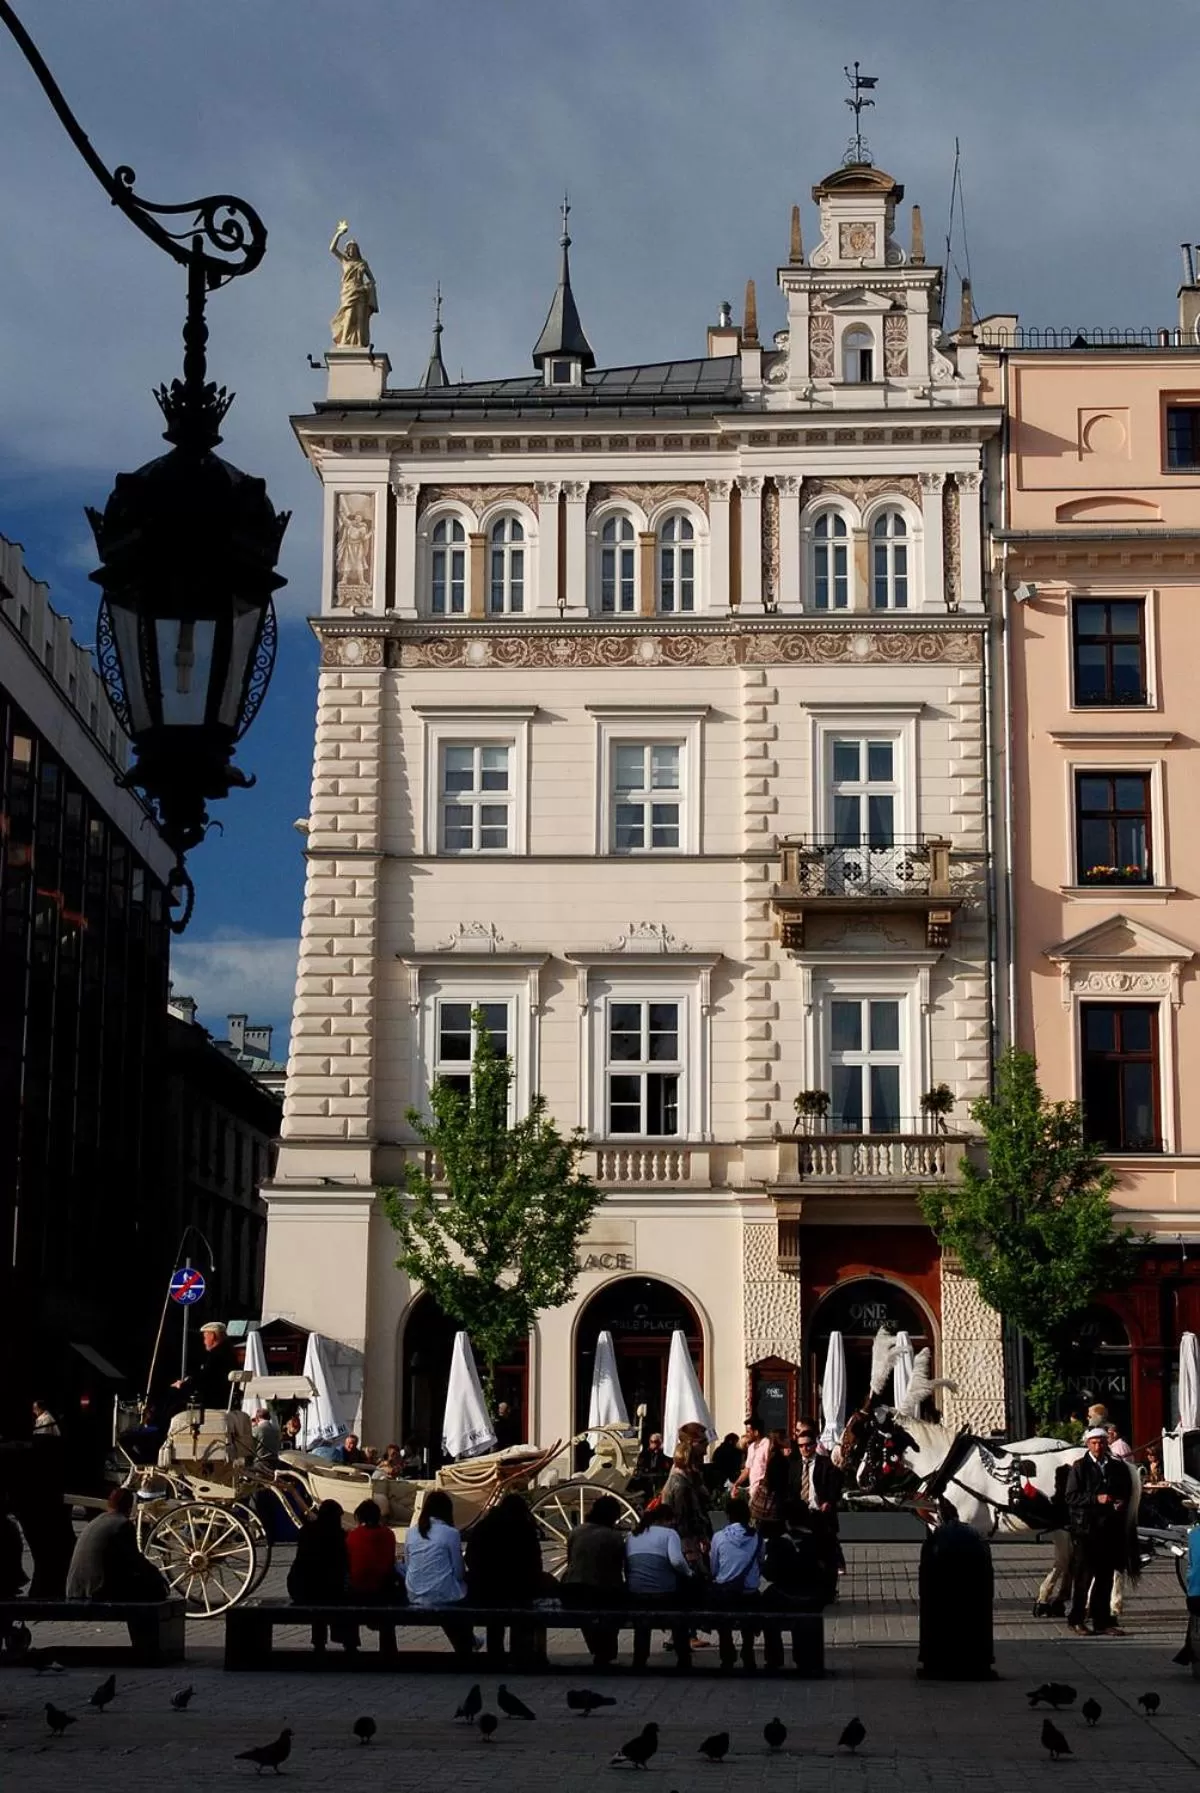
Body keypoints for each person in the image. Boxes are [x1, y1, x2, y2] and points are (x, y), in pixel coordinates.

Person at [1065, 1426, 1134, 1636]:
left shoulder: (1116, 1466)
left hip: (1109, 1529)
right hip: (1086, 1530)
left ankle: (1102, 1621)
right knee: (1084, 1577)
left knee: (1104, 1578)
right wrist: (1096, 1499)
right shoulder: (1080, 1467)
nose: (1098, 1446)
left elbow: (1125, 1490)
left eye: (1102, 1442)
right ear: (1088, 1444)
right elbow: (1071, 1497)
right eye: (1094, 1442)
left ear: (1107, 1444)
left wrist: (1120, 1502)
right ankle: (1076, 1619)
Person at [465, 1491, 546, 1664]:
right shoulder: (525, 1529)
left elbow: (470, 1557)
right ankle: (520, 1654)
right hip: (519, 1590)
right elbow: (535, 1562)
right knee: (521, 1617)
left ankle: (495, 1655)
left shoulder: (483, 1527)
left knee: (495, 1623)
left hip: (486, 1590)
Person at [403, 1489, 474, 1656]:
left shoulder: (411, 1532)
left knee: (443, 1590)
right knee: (460, 1592)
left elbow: (408, 1565)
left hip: (414, 1592)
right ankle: (467, 1643)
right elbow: (458, 1573)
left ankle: (468, 1642)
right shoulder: (451, 1533)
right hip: (443, 1593)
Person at [66, 1488, 165, 1602]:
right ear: (129, 1507)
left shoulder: (97, 1520)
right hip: (98, 1591)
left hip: (76, 1589)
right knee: (154, 1590)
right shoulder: (123, 1524)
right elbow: (135, 1561)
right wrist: (156, 1576)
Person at [624, 1508, 693, 1671]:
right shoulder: (669, 1534)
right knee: (679, 1617)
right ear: (665, 1520)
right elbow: (677, 1561)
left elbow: (626, 1566)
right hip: (664, 1593)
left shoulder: (632, 1536)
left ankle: (639, 1658)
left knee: (641, 1624)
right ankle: (683, 1657)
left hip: (637, 1593)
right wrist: (689, 1573)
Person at [564, 1494, 627, 1667]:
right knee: (616, 1604)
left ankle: (598, 1648)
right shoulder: (613, 1537)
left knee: (588, 1613)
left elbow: (570, 1560)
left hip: (574, 1590)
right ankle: (606, 1650)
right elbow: (618, 1566)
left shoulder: (576, 1532)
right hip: (602, 1590)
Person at [287, 1499, 349, 1652]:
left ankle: (319, 1642)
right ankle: (349, 1641)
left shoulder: (306, 1531)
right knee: (339, 1592)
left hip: (300, 1588)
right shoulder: (339, 1535)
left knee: (318, 1586)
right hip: (328, 1590)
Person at [709, 1497, 762, 1670]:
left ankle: (727, 1652)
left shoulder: (718, 1537)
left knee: (722, 1617)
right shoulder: (757, 1538)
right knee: (751, 1608)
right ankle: (747, 1649)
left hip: (725, 1594)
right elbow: (760, 1561)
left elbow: (714, 1568)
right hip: (749, 1594)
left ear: (728, 1516)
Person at [345, 1499, 399, 1655]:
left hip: (358, 1592)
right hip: (383, 1592)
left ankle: (350, 1645)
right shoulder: (389, 1535)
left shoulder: (352, 1536)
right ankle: (388, 1646)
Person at [661, 1438, 712, 1568]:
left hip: (683, 1536)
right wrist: (700, 1536)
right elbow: (684, 1516)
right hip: (686, 1541)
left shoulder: (683, 1479)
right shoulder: (681, 1485)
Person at [329, 223, 378, 348]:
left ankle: (360, 343)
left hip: (360, 291)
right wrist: (339, 234)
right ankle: (345, 340)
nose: (351, 250)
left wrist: (368, 287)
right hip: (348, 291)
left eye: (353, 248)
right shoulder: (345, 260)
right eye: (349, 248)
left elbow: (372, 279)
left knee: (361, 317)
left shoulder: (362, 263)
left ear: (357, 249)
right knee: (349, 316)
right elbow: (332, 249)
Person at [172, 1320, 236, 1410]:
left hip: (212, 1400)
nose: (204, 1342)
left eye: (205, 1338)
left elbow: (205, 1377)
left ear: (212, 1336)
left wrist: (183, 1384)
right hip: (223, 1398)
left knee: (173, 1403)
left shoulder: (216, 1355)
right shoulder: (229, 1352)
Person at [733, 1419, 769, 1506]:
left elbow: (770, 1466)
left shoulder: (767, 1444)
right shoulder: (751, 1447)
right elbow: (747, 1469)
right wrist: (736, 1484)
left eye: (749, 1432)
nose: (747, 1434)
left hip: (763, 1493)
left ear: (756, 1432)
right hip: (753, 1492)